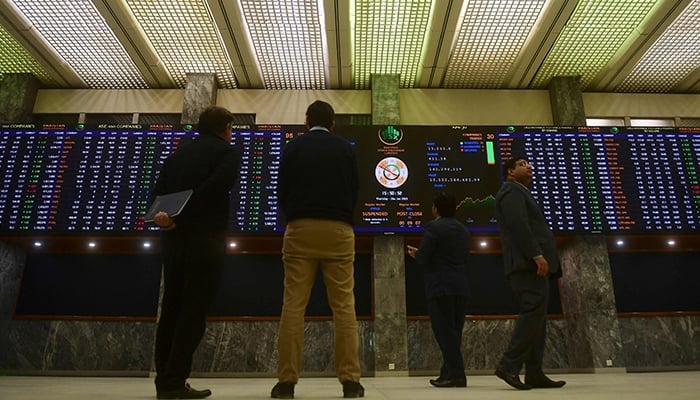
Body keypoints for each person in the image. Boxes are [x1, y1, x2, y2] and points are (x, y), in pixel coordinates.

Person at [271, 100, 363, 399]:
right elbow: (354, 190)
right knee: (344, 307)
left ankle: (286, 382)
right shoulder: (346, 149)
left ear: (307, 121)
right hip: (338, 230)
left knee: (293, 306)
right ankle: (350, 381)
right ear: (333, 123)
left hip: (300, 228)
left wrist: (295, 215)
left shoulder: (293, 148)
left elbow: (281, 189)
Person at [149, 106, 240, 399]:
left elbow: (156, 196)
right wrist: (183, 216)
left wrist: (166, 218)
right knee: (193, 313)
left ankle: (164, 381)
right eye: (231, 127)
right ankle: (176, 381)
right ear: (225, 127)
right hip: (206, 242)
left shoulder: (176, 156)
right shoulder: (227, 153)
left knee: (171, 310)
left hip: (173, 242)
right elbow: (215, 188)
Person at [493, 156, 566, 390]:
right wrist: (536, 254)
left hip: (531, 265)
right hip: (527, 265)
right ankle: (509, 365)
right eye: (523, 164)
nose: (530, 167)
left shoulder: (519, 191)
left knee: (537, 320)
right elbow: (519, 224)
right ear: (510, 172)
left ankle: (534, 373)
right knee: (532, 314)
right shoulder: (511, 191)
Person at [406, 192, 471, 388]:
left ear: (435, 208)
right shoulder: (463, 229)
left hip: (440, 285)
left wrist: (416, 254)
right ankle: (447, 373)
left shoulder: (434, 227)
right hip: (460, 285)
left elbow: (425, 257)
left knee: (444, 332)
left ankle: (457, 375)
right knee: (454, 332)